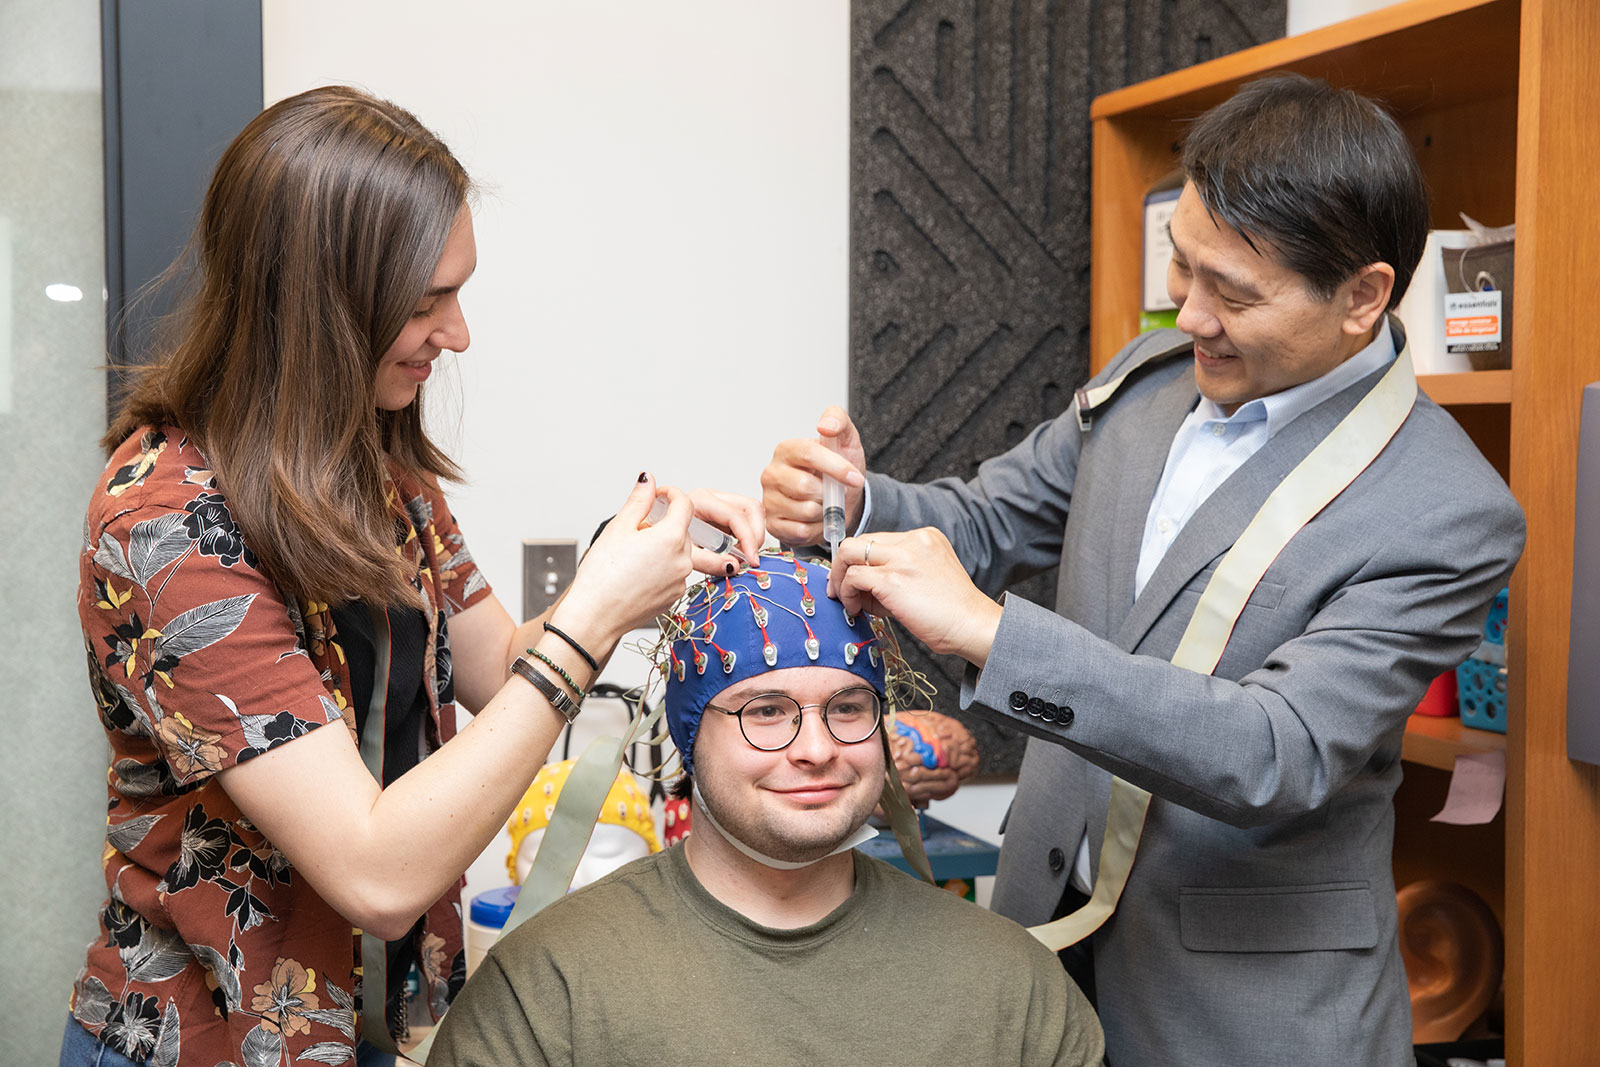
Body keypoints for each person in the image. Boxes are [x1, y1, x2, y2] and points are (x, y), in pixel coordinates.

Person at [761, 74, 1524, 1066]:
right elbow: (988, 519)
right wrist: (855, 505)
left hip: (1246, 1005)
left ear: (1362, 296)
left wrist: (992, 634)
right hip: (1048, 935)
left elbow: (1275, 749)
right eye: (1183, 263)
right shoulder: (1148, 381)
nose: (1188, 312)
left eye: (1233, 292)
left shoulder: (1444, 510)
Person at [63, 85, 762, 1067]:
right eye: (427, 302)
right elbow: (375, 869)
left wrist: (629, 558)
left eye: (460, 291)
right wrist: (597, 615)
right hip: (214, 1041)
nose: (460, 332)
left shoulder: (374, 470)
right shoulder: (164, 525)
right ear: (316, 302)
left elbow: (498, 665)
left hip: (391, 1024)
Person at [426, 553, 1105, 1067]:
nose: (816, 748)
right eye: (767, 711)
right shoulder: (547, 990)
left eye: (847, 707)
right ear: (690, 735)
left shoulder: (1014, 991)